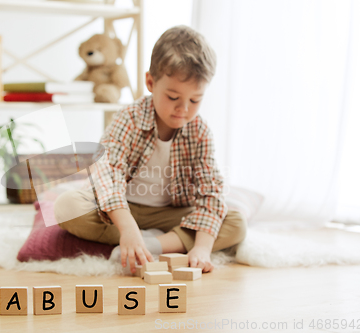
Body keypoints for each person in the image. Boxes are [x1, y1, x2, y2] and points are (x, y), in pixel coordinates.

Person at [53, 25, 247, 274]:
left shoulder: (199, 131)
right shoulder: (129, 118)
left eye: (195, 100)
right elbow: (107, 173)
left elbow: (210, 193)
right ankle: (141, 238)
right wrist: (128, 228)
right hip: (121, 209)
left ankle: (152, 244)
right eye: (173, 97)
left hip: (170, 213)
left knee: (236, 223)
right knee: (66, 207)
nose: (183, 109)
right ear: (150, 82)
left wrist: (202, 249)